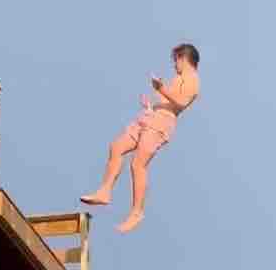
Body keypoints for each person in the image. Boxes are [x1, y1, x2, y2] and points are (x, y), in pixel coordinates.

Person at [82, 43, 200, 233]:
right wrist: (151, 105)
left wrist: (161, 88)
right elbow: (168, 100)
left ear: (183, 58)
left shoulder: (193, 79)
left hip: (161, 123)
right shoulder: (178, 78)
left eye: (175, 60)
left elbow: (181, 102)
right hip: (150, 117)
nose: (174, 65)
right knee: (116, 146)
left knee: (138, 164)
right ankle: (105, 191)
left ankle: (137, 212)